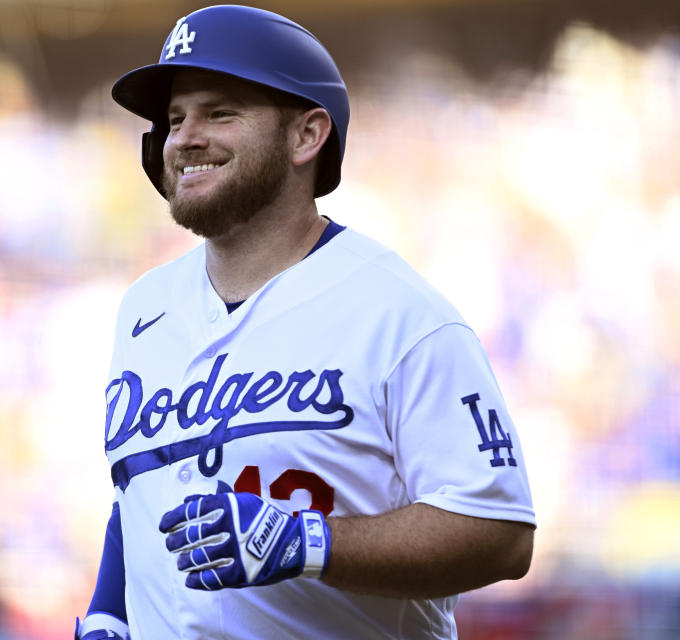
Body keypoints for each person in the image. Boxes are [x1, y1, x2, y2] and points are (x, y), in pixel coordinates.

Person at [76, 5, 536, 639]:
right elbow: (143, 488)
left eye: (221, 112)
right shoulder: (143, 308)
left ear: (306, 136)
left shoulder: (400, 313)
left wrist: (308, 542)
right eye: (175, 119)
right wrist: (108, 612)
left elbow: (500, 534)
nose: (184, 137)